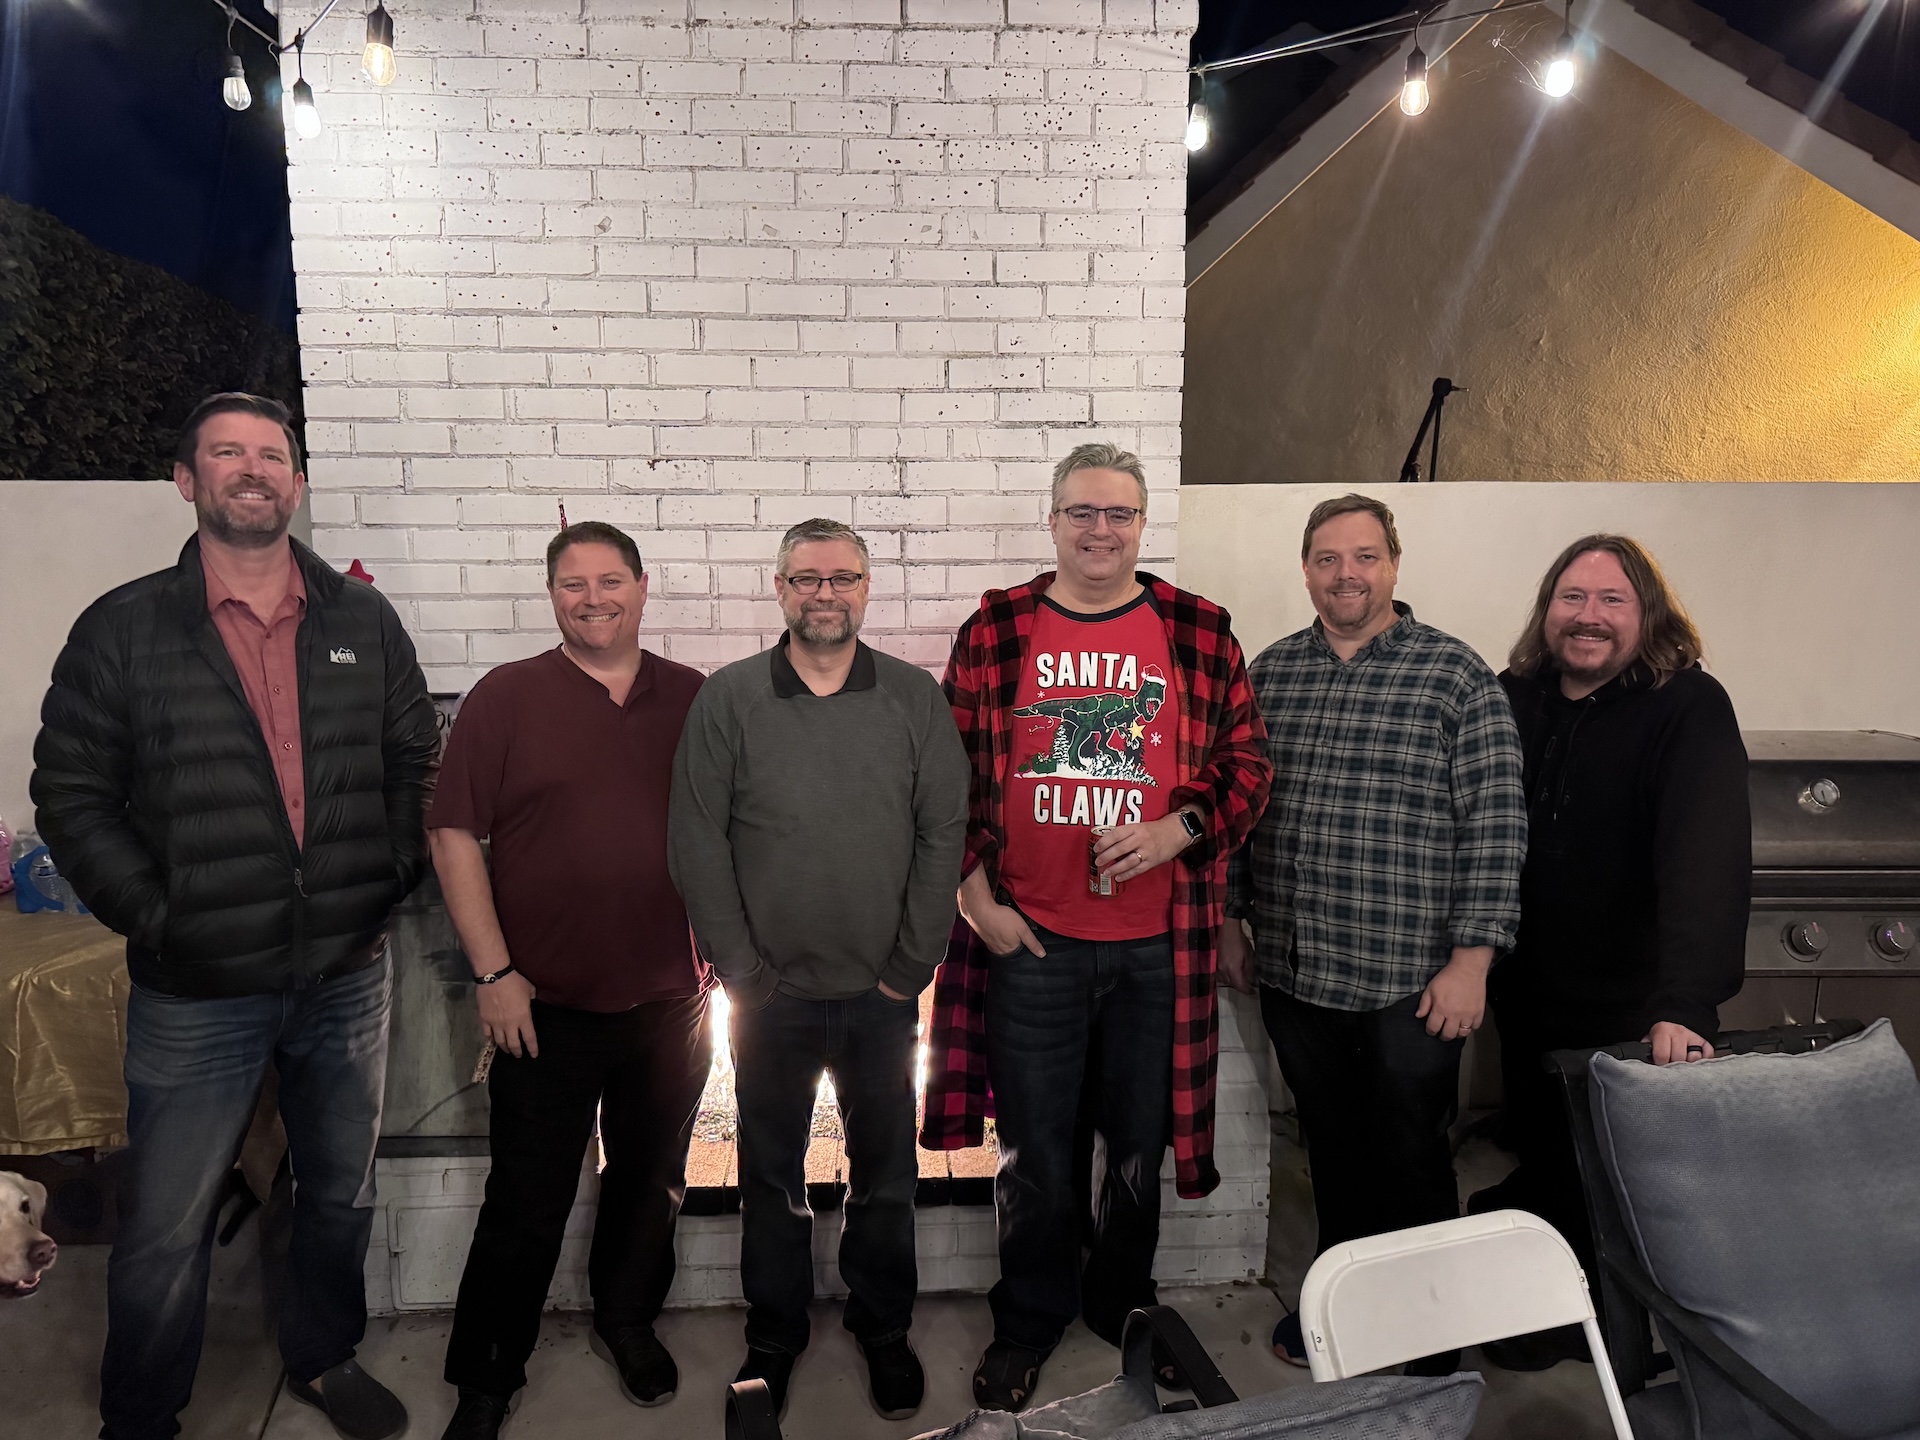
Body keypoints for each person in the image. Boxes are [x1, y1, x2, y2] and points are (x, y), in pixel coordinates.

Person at [31, 393, 439, 1440]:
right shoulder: (124, 628)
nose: (253, 469)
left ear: (296, 483)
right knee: (165, 1224)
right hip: (196, 987)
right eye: (227, 453)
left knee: (338, 1194)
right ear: (187, 480)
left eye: (271, 454)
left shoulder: (362, 623)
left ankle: (323, 1358)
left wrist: (387, 875)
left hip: (346, 973)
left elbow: (413, 762)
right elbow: (71, 795)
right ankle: (142, 1417)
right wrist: (156, 913)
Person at [921, 443, 1272, 1412]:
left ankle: (1123, 1303)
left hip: (1160, 949)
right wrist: (973, 897)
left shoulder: (1197, 630)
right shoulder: (998, 627)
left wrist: (1176, 830)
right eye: (1082, 511)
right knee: (1034, 1151)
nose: (1100, 530)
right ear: (1053, 521)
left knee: (1135, 1148)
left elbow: (1249, 768)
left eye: (1119, 513)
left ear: (1142, 524)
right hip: (1032, 942)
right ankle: (1029, 1317)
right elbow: (944, 778)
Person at [667, 519, 969, 1421]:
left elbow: (943, 831)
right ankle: (775, 1333)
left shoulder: (913, 699)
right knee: (769, 1178)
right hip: (772, 1000)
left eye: (842, 577)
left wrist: (913, 963)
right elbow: (696, 842)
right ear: (779, 588)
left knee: (887, 1178)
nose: (824, 593)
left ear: (867, 588)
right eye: (806, 578)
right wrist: (743, 973)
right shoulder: (729, 700)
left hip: (883, 996)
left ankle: (883, 1327)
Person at [1218, 492, 1525, 1373]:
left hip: (1411, 979)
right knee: (1330, 1149)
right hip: (1298, 968)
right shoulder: (1272, 673)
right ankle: (1342, 1307)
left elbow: (1496, 827)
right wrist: (1234, 916)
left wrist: (1472, 962)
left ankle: (1424, 1332)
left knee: (1411, 1155)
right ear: (1305, 570)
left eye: (1363, 557)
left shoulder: (1456, 677)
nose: (1345, 574)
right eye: (1327, 558)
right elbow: (1241, 807)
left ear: (1393, 565)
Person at [430, 522, 711, 1437]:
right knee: (526, 1196)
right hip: (539, 1003)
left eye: (610, 580)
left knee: (651, 1180)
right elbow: (452, 835)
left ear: (643, 587)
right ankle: (487, 1372)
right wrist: (494, 971)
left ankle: (627, 1321)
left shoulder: (695, 698)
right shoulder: (506, 698)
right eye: (573, 584)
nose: (594, 599)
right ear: (551, 595)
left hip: (673, 999)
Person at [1468, 534, 1749, 1370]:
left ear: (1647, 614)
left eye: (1611, 600)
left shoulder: (1687, 706)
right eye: (1573, 598)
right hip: (1527, 987)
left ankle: (1595, 1333)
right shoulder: (1516, 694)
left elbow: (1705, 859)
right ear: (1547, 610)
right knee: (1545, 1149)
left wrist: (1685, 1001)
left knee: (1612, 1173)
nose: (1588, 617)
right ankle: (1542, 1299)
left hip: (1629, 999)